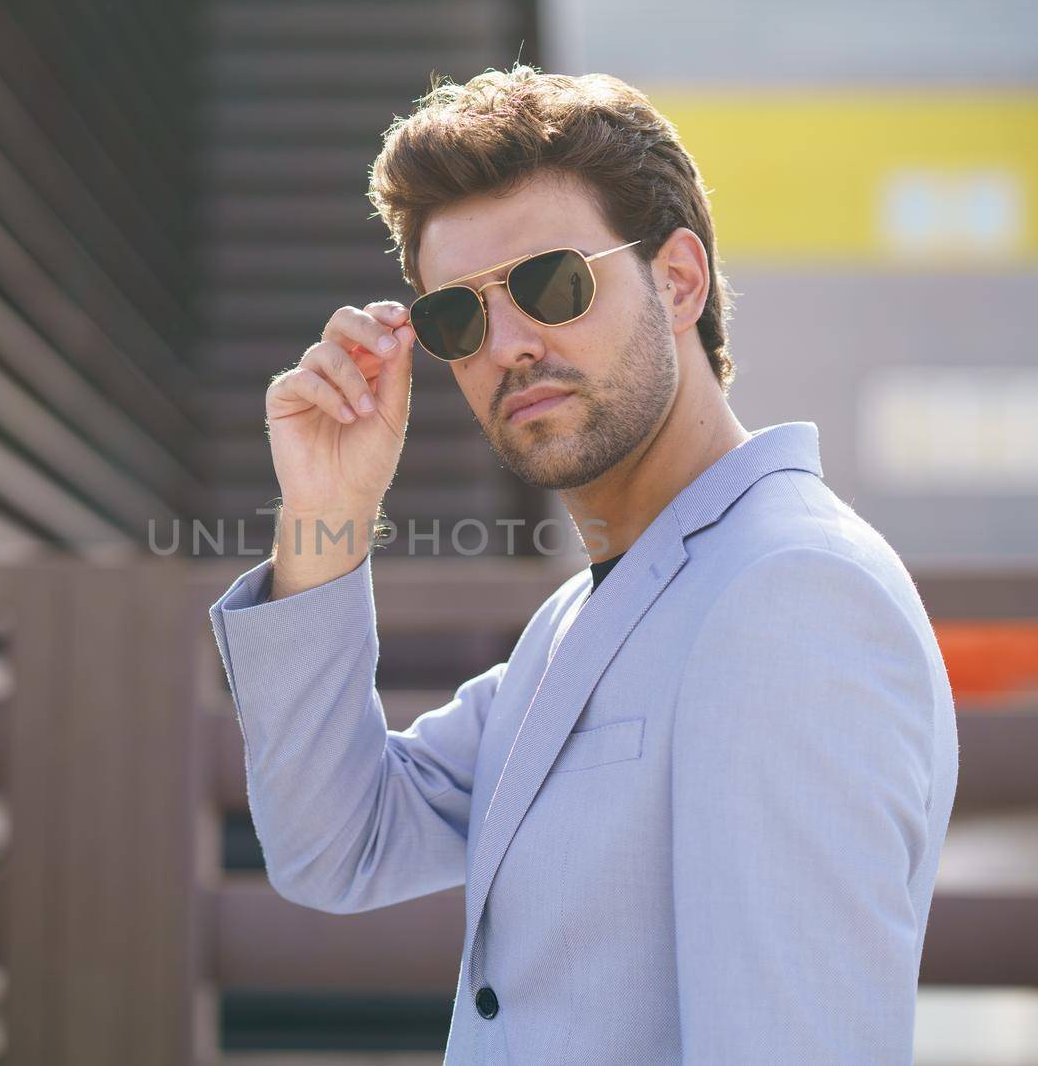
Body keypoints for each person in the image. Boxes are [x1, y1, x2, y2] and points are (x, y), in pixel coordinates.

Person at [207, 64, 958, 1064]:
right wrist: (325, 515)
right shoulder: (586, 615)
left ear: (678, 279)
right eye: (456, 318)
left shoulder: (791, 592)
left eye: (549, 282)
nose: (508, 345)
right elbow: (335, 844)